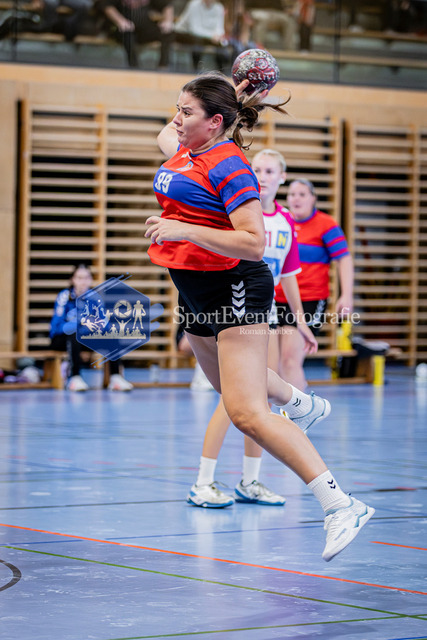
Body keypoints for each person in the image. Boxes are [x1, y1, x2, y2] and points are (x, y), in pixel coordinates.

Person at [144, 72, 374, 562]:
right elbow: (170, 128)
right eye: (178, 109)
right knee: (231, 390)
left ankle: (341, 505)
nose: (177, 119)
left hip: (235, 285)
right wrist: (226, 87)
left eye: (187, 112)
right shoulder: (185, 149)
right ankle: (299, 401)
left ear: (215, 122)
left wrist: (181, 228)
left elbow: (253, 242)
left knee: (246, 412)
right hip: (194, 287)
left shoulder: (230, 166)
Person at [187, 148, 320, 508]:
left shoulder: (286, 221)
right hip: (233, 311)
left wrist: (301, 322)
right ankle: (203, 481)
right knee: (232, 398)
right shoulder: (236, 211)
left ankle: (250, 480)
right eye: (256, 169)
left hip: (266, 315)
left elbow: (289, 275)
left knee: (259, 399)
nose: (262, 176)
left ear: (282, 177)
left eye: (270, 171)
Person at [275, 178, 354, 391]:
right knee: (274, 365)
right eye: (292, 194)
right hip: (275, 299)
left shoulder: (326, 225)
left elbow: (344, 259)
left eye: (302, 194)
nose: (296, 199)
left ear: (313, 198)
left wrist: (347, 295)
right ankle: (285, 406)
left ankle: (301, 407)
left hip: (309, 300)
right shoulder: (281, 221)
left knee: (290, 361)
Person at [49, 264, 133, 392]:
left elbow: (105, 325)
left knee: (112, 335)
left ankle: (115, 377)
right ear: (73, 279)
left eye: (86, 278)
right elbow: (57, 327)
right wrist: (80, 323)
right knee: (74, 334)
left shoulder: (94, 297)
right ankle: (74, 378)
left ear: (90, 280)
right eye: (79, 278)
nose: (83, 281)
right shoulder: (64, 296)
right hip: (62, 339)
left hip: (84, 338)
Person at [95, 0, 174, 69]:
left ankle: (163, 67)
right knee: (127, 34)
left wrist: (168, 21)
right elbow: (107, 6)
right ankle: (134, 67)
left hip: (143, 27)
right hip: (122, 28)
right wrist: (120, 21)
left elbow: (167, 6)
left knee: (167, 32)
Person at [174, 0, 231, 72]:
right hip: (185, 33)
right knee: (197, 41)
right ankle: (195, 70)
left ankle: (221, 72)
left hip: (208, 37)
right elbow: (195, 29)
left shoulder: (219, 7)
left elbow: (219, 28)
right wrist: (212, 36)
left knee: (223, 44)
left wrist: (218, 37)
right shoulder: (194, 5)